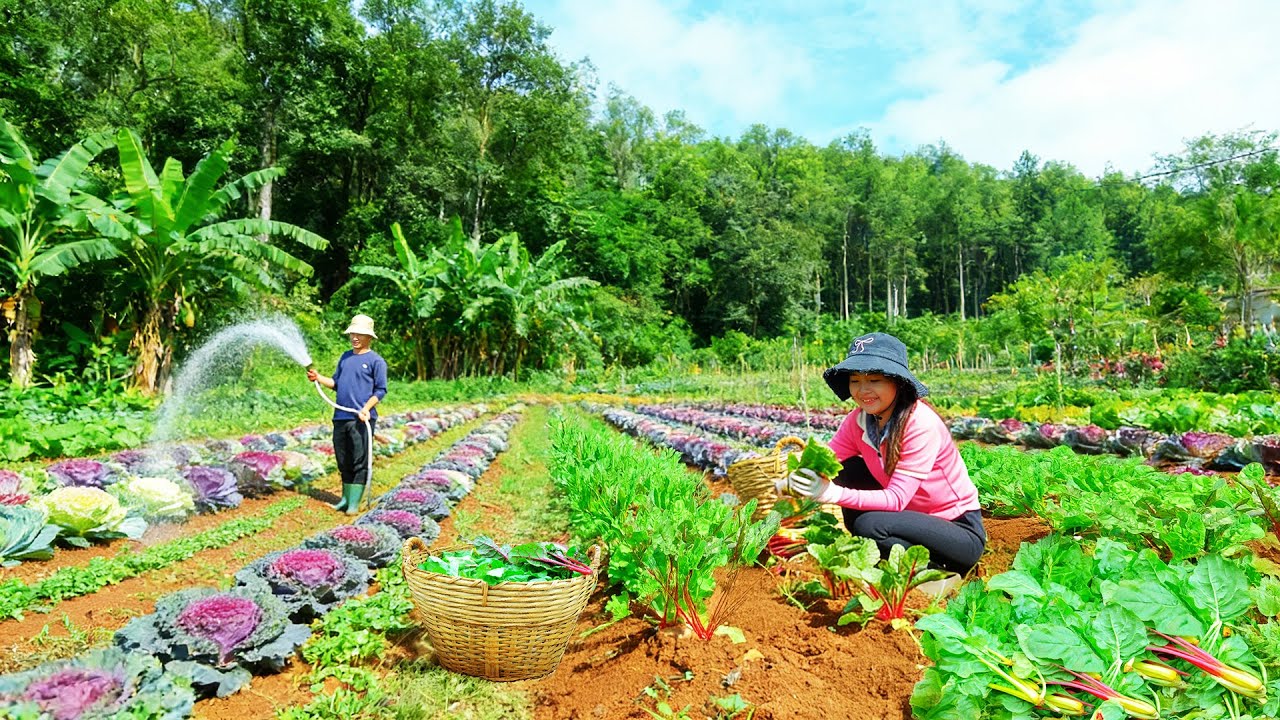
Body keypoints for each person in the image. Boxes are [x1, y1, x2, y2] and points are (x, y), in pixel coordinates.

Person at [783, 332, 986, 578]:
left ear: (898, 382)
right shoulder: (858, 421)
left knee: (869, 526)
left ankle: (936, 573)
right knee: (848, 469)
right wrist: (792, 481)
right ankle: (893, 560)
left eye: (875, 380)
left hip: (957, 532)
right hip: (910, 520)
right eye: (855, 380)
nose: (863, 390)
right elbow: (828, 458)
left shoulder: (920, 423)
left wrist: (832, 494)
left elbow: (897, 499)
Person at [307, 314, 388, 514]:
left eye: (360, 334)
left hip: (361, 418)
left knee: (359, 460)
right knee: (343, 459)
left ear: (369, 337)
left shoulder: (376, 361)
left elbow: (381, 390)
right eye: (353, 333)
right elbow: (336, 384)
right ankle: (344, 499)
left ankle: (354, 503)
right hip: (341, 417)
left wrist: (366, 409)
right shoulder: (345, 357)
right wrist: (318, 378)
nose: (355, 337)